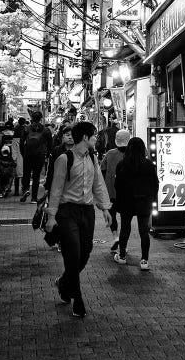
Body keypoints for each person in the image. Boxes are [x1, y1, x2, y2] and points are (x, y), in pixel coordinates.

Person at [45, 121, 111, 319]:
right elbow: (56, 189)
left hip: (87, 212)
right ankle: (78, 300)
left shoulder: (93, 157)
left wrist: (105, 208)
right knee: (73, 254)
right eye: (94, 136)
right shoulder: (64, 159)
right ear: (84, 137)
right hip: (67, 212)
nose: (96, 139)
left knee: (85, 253)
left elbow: (98, 183)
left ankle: (64, 282)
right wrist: (51, 216)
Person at [114, 136, 159, 271]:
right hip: (144, 201)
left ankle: (122, 256)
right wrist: (152, 199)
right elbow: (155, 184)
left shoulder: (122, 164)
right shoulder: (148, 165)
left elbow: (117, 185)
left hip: (126, 201)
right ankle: (144, 261)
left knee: (125, 228)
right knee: (143, 231)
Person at [100, 128, 130, 252]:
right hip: (126, 193)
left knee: (111, 216)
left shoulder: (110, 153)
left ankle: (115, 236)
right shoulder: (132, 155)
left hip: (111, 191)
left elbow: (102, 171)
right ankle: (123, 244)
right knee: (125, 219)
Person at [20, 111, 52, 203]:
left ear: (32, 118)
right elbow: (50, 144)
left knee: (26, 174)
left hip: (28, 154)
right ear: (41, 118)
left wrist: (23, 153)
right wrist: (47, 155)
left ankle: (25, 190)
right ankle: (34, 198)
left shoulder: (26, 129)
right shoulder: (46, 130)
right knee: (36, 176)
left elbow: (21, 143)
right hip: (40, 155)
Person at [44, 123, 75, 194]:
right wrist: (48, 186)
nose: (70, 137)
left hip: (74, 187)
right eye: (67, 135)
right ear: (63, 137)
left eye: (73, 135)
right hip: (58, 186)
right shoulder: (56, 151)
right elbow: (51, 169)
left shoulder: (80, 151)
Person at [10, 131, 23, 196]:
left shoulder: (14, 141)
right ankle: (24, 189)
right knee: (24, 175)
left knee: (17, 176)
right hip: (24, 159)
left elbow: (14, 151)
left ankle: (16, 191)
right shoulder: (24, 139)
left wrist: (14, 159)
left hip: (17, 159)